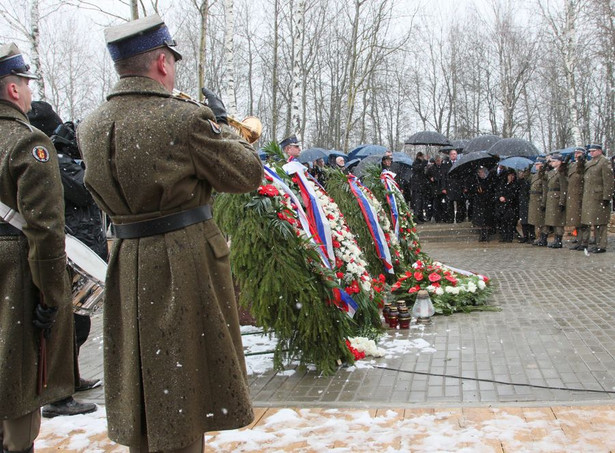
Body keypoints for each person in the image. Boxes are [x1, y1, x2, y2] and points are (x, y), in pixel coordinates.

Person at [77, 15, 263, 453]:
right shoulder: (184, 119)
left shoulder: (90, 125)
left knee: (142, 381)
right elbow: (246, 174)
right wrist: (219, 127)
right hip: (183, 260)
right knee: (182, 384)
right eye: (173, 61)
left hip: (126, 259)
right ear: (161, 62)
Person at [0, 42, 75, 452]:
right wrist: (51, 296)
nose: (29, 92)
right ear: (13, 90)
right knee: (18, 379)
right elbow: (46, 232)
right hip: (15, 272)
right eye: (26, 84)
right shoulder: (28, 143)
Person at [27, 101, 100, 418]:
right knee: (66, 324)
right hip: (70, 250)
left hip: (84, 245)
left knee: (78, 323)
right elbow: (86, 190)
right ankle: (58, 396)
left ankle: (70, 379)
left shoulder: (63, 156)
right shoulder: (51, 159)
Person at [577, 144, 614, 253]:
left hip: (599, 196)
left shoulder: (604, 162)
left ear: (599, 151)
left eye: (593, 151)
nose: (591, 153)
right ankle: (596, 244)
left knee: (600, 223)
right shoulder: (590, 162)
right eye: (590, 151)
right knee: (593, 221)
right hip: (589, 196)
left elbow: (608, 181)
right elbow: (580, 173)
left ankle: (601, 245)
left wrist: (607, 196)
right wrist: (580, 162)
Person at [543, 154, 568, 248]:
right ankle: (556, 239)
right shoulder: (551, 172)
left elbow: (563, 188)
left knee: (558, 221)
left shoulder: (561, 172)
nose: (551, 163)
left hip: (557, 198)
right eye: (551, 161)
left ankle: (559, 240)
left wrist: (562, 201)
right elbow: (544, 179)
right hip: (551, 198)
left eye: (554, 161)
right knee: (553, 220)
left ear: (559, 162)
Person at [566, 147, 586, 250]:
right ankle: (579, 241)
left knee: (583, 221)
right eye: (575, 153)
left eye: (578, 153)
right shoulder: (573, 165)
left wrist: (581, 161)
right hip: (573, 195)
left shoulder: (584, 164)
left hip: (581, 195)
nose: (576, 155)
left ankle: (584, 242)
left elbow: (582, 173)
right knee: (577, 220)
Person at [495, 168, 519, 242]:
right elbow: (498, 192)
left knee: (509, 222)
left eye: (513, 175)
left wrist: (506, 199)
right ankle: (504, 236)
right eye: (510, 175)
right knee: (503, 222)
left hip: (510, 206)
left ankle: (509, 237)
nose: (511, 177)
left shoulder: (515, 185)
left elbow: (514, 195)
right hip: (502, 206)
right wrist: (500, 197)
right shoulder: (502, 184)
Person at [470, 166, 494, 242]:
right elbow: (472, 189)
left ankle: (487, 234)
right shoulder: (476, 180)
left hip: (487, 201)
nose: (481, 174)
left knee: (486, 219)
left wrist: (484, 190)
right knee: (480, 220)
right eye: (479, 172)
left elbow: (491, 188)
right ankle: (481, 234)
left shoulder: (489, 179)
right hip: (479, 202)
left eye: (482, 172)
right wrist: (477, 188)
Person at [528, 157, 548, 246]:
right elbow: (527, 178)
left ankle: (543, 238)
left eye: (538, 164)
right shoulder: (536, 175)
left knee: (542, 221)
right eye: (535, 164)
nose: (536, 166)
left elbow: (544, 189)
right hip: (534, 200)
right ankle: (539, 237)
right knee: (536, 221)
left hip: (539, 199)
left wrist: (543, 202)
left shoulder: (544, 175)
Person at [445, 150, 467, 223]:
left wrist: (464, 187)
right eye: (452, 154)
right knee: (449, 204)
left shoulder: (460, 164)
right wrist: (444, 188)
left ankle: (459, 218)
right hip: (449, 186)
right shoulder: (446, 164)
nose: (453, 155)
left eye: (455, 154)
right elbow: (443, 177)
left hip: (458, 186)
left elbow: (463, 176)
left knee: (459, 203)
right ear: (450, 155)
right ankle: (450, 219)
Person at [425, 154, 448, 222]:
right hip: (435, 188)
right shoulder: (432, 168)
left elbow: (445, 178)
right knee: (436, 204)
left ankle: (444, 217)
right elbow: (427, 175)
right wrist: (431, 178)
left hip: (442, 187)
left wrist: (445, 188)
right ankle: (437, 218)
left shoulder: (444, 167)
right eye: (437, 161)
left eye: (439, 160)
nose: (438, 162)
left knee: (443, 204)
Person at [517, 168, 534, 243]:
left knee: (529, 220)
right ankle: (525, 236)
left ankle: (531, 236)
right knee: (523, 221)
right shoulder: (519, 182)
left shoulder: (527, 182)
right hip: (522, 203)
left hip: (527, 202)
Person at [410, 151, 427, 223]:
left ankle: (420, 216)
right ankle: (416, 217)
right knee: (417, 203)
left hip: (421, 186)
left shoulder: (420, 163)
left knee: (421, 203)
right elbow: (418, 168)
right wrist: (425, 161)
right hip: (417, 187)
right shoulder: (416, 163)